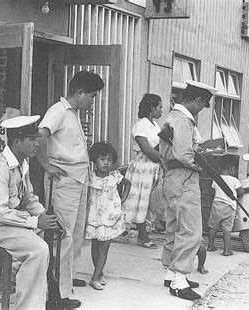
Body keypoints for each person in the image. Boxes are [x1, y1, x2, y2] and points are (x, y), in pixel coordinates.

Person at [37, 71, 105, 308]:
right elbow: (40, 136)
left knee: (76, 232)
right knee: (62, 236)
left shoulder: (73, 113)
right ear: (79, 93)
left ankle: (67, 279)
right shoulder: (58, 111)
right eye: (92, 97)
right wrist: (46, 165)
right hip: (63, 180)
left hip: (78, 177)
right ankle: (57, 294)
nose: (93, 102)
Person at [0, 115, 58, 309]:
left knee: (57, 235)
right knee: (38, 250)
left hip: (11, 222)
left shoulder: (22, 164)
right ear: (16, 142)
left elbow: (28, 198)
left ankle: (44, 294)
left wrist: (44, 216)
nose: (36, 144)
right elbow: (0, 213)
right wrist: (35, 222)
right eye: (31, 139)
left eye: (36, 139)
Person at [158, 80, 218, 301]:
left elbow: (167, 152)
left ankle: (171, 272)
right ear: (198, 100)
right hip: (185, 177)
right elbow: (185, 155)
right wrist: (203, 165)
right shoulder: (184, 121)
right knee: (191, 230)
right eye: (202, 105)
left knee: (174, 226)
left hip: (172, 176)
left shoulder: (171, 117)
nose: (201, 110)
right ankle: (179, 280)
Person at [85, 142, 131, 290]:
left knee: (104, 248)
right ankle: (99, 272)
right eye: (102, 159)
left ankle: (94, 277)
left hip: (110, 218)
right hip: (94, 218)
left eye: (109, 160)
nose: (106, 162)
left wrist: (123, 198)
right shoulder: (90, 177)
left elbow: (128, 183)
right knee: (95, 246)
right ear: (95, 160)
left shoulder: (115, 176)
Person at [122, 93, 163, 249]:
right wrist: (164, 159)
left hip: (154, 167)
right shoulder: (141, 125)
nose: (161, 111)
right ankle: (142, 236)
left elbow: (159, 147)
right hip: (142, 167)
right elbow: (146, 149)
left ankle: (143, 233)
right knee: (140, 200)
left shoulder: (156, 126)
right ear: (152, 108)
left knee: (150, 201)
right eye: (159, 107)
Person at [207, 154, 244, 256]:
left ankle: (210, 246)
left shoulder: (216, 179)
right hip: (229, 207)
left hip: (216, 205)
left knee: (213, 227)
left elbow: (211, 192)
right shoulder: (235, 180)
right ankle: (226, 250)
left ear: (220, 168)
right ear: (232, 169)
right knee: (226, 229)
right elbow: (240, 193)